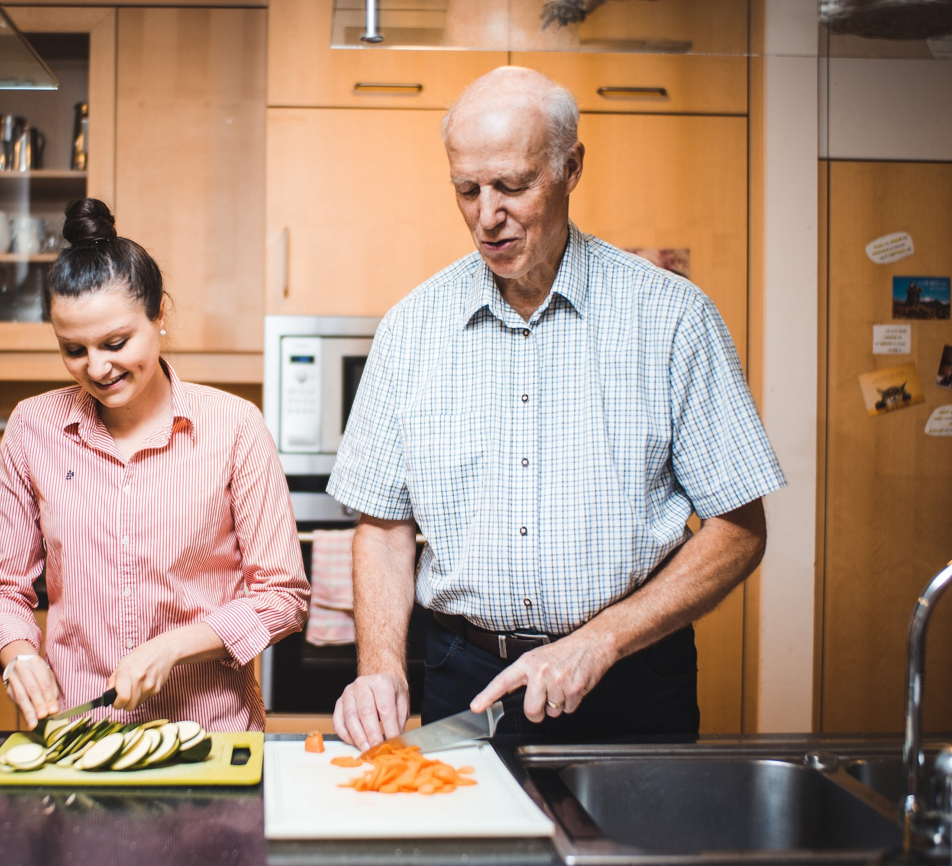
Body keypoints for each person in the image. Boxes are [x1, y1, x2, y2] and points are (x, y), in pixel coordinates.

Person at [327, 67, 785, 749]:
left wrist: (599, 642)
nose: (488, 214)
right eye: (467, 189)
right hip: (464, 678)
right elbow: (384, 528)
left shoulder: (670, 317)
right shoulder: (409, 328)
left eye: (512, 185)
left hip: (629, 675)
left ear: (570, 167)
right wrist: (380, 668)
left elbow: (739, 527)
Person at [0, 199, 310, 731]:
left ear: (159, 315)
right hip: (75, 732)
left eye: (116, 342)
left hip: (206, 734)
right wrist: (18, 656)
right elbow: (1, 590)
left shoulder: (234, 427)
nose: (97, 368)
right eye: (72, 349)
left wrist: (173, 648)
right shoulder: (33, 428)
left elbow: (282, 597)